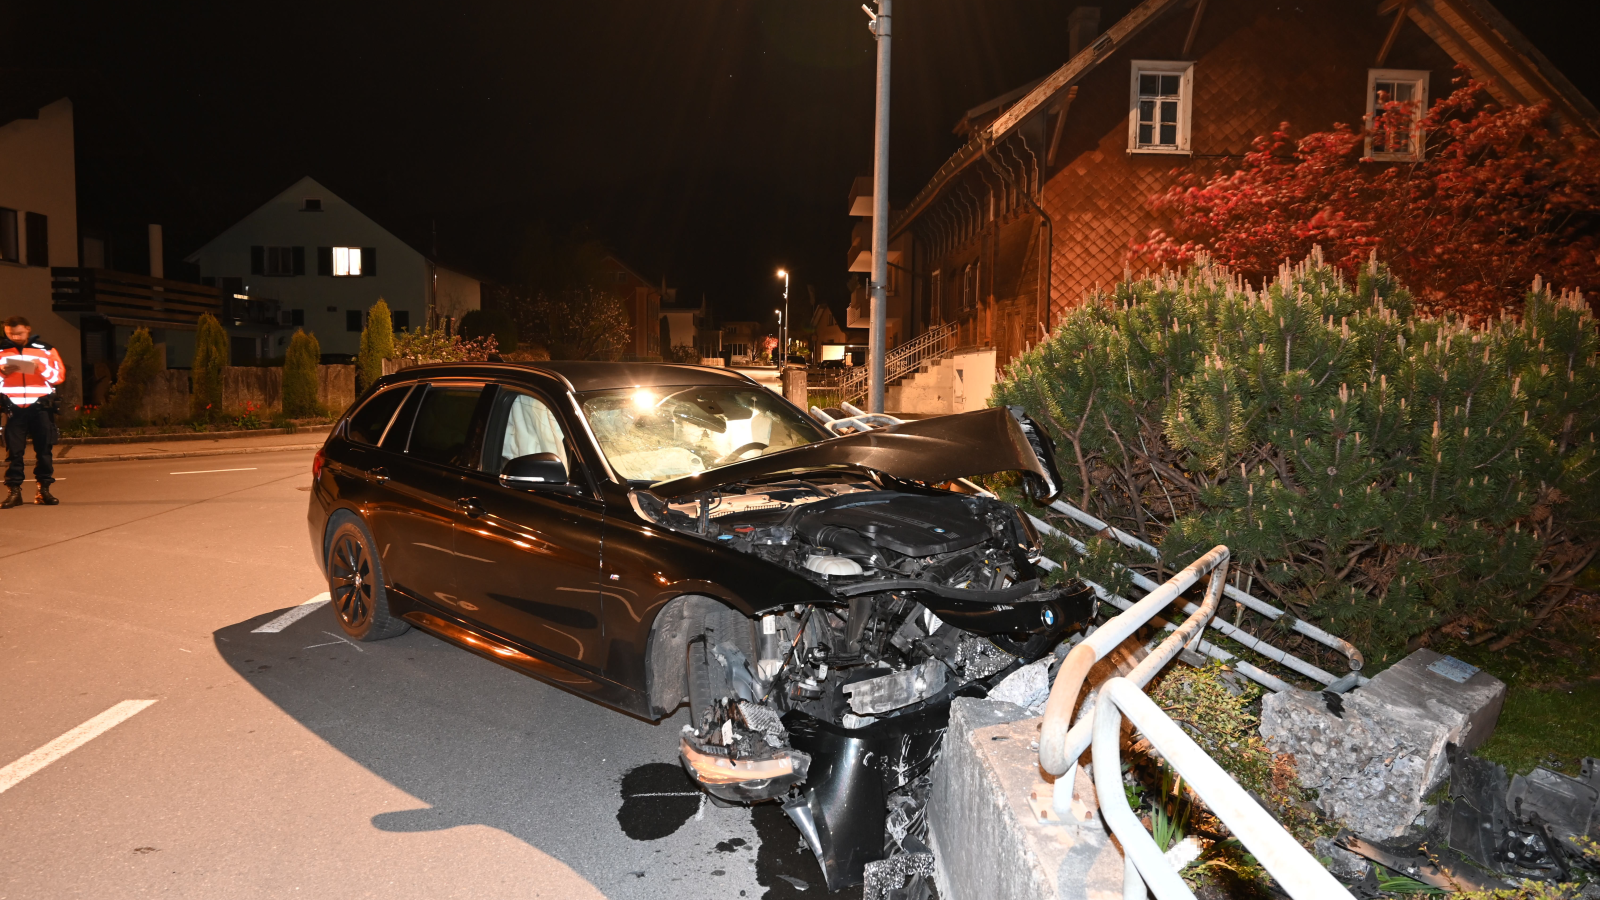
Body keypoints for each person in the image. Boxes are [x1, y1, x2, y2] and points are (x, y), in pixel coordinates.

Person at [0, 316, 67, 507]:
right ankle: (14, 492)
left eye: (19, 333)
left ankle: (43, 491)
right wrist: (2, 372)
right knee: (14, 453)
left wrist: (40, 368)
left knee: (44, 450)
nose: (15, 337)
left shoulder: (46, 350)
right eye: (10, 334)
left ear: (28, 329)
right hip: (13, 408)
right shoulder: (1, 351)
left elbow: (58, 377)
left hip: (40, 407)